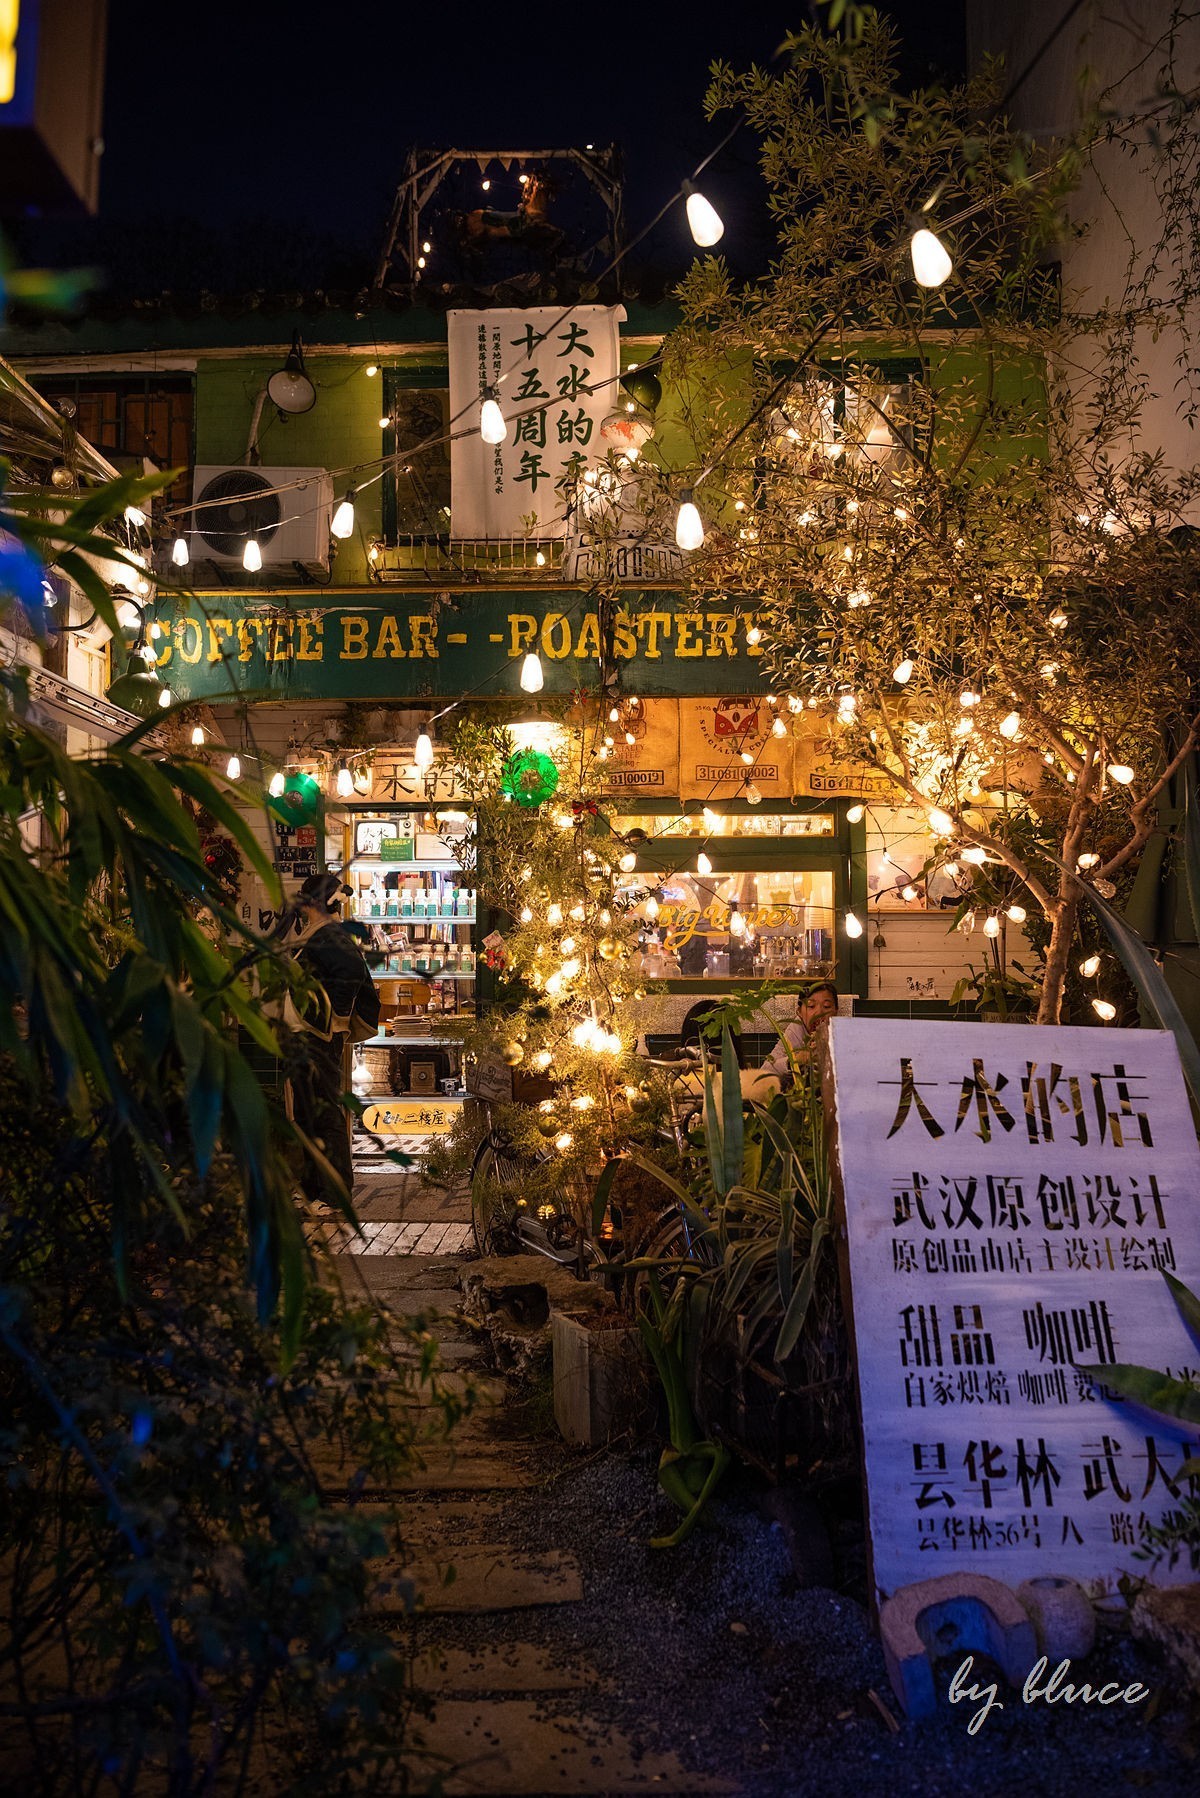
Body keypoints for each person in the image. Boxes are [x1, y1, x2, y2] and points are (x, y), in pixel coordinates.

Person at [278, 873, 380, 1205]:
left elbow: (350, 972)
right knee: (308, 1112)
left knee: (323, 1111)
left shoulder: (329, 935)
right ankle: (313, 1189)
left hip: (318, 1037)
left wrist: (334, 1017)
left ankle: (333, 1194)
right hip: (307, 1034)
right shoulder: (321, 932)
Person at [756, 981, 839, 1087]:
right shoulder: (796, 1029)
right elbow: (765, 1071)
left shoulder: (843, 1031)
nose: (819, 1012)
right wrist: (795, 1061)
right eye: (811, 1006)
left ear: (836, 1011)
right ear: (799, 1012)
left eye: (826, 1006)